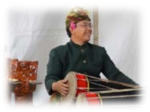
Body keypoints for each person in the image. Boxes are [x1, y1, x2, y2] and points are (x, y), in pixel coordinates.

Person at [45, 7, 138, 97]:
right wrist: (54, 85)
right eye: (85, 25)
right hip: (69, 101)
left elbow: (115, 75)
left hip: (95, 99)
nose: (89, 29)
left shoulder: (99, 51)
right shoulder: (58, 52)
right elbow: (51, 78)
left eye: (90, 25)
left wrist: (136, 87)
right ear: (72, 28)